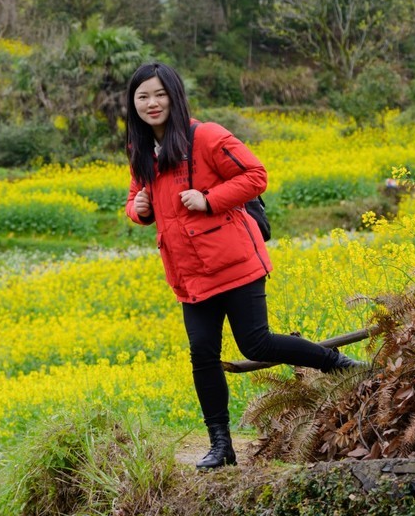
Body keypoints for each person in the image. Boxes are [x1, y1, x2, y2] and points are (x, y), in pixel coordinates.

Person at [123, 61, 366, 469]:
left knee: (256, 343)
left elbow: (256, 175)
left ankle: (341, 366)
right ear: (133, 103)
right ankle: (222, 446)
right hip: (188, 272)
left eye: (160, 94)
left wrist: (209, 199)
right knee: (202, 354)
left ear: (175, 96)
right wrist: (137, 209)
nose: (152, 103)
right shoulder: (140, 149)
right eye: (143, 96)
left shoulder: (207, 136)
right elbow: (135, 197)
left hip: (234, 261)